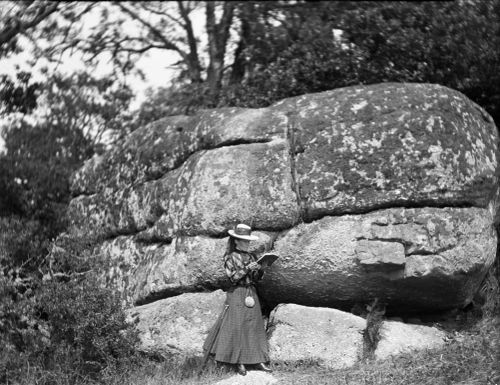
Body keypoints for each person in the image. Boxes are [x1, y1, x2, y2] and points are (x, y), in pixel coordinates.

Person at [202, 223, 272, 376]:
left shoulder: (252, 256)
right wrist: (248, 268)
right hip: (237, 293)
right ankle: (239, 361)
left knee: (254, 325)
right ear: (236, 241)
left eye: (248, 240)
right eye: (244, 240)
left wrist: (260, 270)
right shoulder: (230, 257)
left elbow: (255, 279)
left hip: (251, 292)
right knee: (238, 326)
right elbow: (233, 278)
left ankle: (258, 359)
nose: (247, 243)